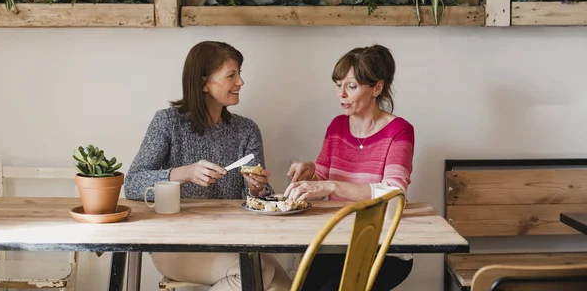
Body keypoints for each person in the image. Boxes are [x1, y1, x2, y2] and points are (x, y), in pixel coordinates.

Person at [124, 41, 291, 291]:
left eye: (240, 74)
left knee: (283, 285)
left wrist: (258, 190)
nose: (240, 82)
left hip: (232, 240)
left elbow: (259, 200)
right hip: (174, 244)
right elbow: (132, 184)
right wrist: (185, 173)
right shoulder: (167, 123)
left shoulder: (246, 130)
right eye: (231, 75)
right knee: (259, 272)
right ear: (203, 83)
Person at [284, 44, 415, 291]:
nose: (341, 94)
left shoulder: (399, 131)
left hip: (383, 249)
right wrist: (309, 172)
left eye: (351, 86)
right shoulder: (337, 126)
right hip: (336, 242)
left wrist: (331, 185)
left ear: (377, 88)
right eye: (338, 85)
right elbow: (322, 177)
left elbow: (394, 192)